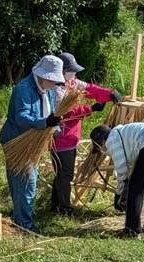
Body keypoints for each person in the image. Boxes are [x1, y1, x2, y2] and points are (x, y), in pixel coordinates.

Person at [0, 55, 65, 233]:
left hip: (32, 143)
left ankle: (20, 217)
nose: (56, 84)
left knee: (22, 181)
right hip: (17, 141)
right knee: (27, 182)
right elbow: (21, 117)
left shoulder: (47, 90)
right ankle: (24, 225)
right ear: (44, 76)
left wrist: (54, 126)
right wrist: (44, 122)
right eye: (54, 80)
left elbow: (50, 113)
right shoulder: (23, 89)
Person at [49, 52, 120, 215]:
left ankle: (55, 205)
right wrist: (91, 109)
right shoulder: (56, 90)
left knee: (61, 173)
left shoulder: (71, 82)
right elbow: (65, 113)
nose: (74, 74)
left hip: (71, 138)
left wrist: (109, 94)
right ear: (62, 71)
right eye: (71, 70)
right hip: (61, 139)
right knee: (65, 174)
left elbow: (89, 89)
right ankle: (64, 208)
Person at [90, 122, 144, 238]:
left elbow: (122, 171)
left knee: (135, 188)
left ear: (101, 141)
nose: (102, 150)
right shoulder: (122, 133)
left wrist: (119, 194)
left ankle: (132, 231)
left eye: (99, 146)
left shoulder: (112, 140)